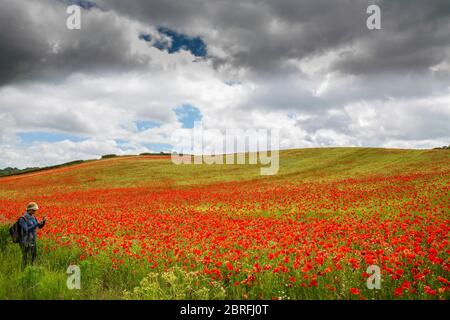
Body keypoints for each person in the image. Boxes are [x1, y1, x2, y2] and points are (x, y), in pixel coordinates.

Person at [19, 202, 46, 267]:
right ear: (29, 209)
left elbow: (39, 227)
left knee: (34, 255)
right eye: (33, 210)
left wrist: (43, 222)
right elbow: (27, 230)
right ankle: (23, 271)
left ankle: (31, 269)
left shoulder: (33, 217)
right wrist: (36, 224)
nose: (35, 211)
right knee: (26, 257)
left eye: (35, 210)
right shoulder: (22, 219)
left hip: (33, 240)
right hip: (25, 241)